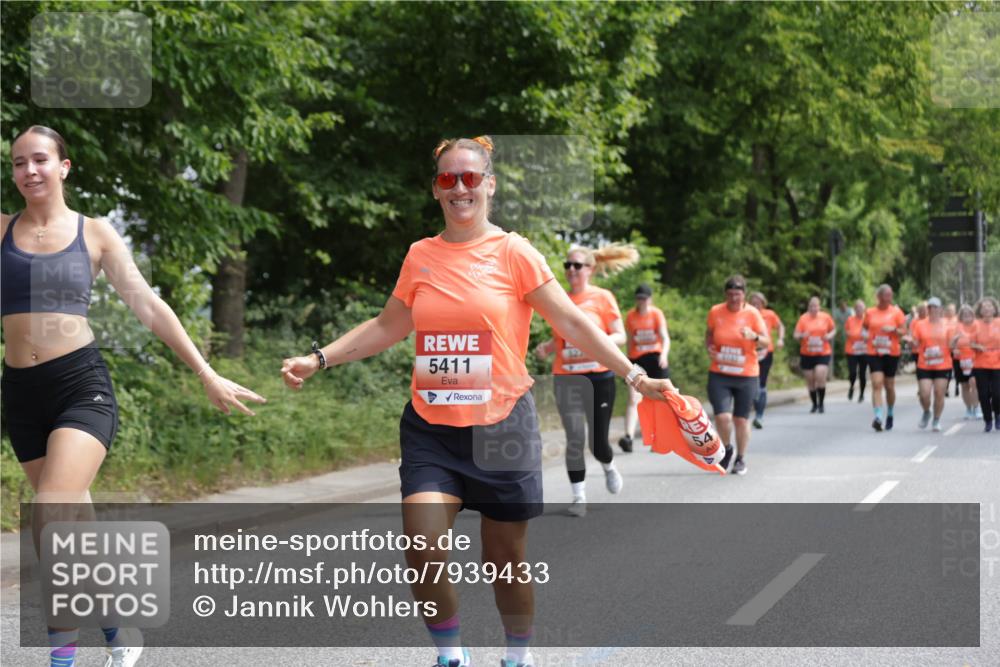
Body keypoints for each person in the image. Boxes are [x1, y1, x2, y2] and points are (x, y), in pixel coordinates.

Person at [279, 136, 674, 667]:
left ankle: (518, 656)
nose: (459, 188)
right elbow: (388, 325)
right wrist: (319, 358)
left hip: (502, 427)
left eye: (470, 178)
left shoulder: (515, 253)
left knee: (503, 561)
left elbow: (572, 321)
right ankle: (451, 655)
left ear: (489, 185)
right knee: (422, 547)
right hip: (432, 429)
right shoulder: (421, 255)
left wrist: (634, 375)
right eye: (448, 179)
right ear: (435, 189)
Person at [2, 126, 266, 667]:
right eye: (19, 162)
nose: (29, 170)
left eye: (40, 160)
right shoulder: (1, 230)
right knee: (74, 527)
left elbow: (148, 305)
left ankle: (61, 659)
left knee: (50, 516)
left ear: (64, 166)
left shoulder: (95, 233)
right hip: (22, 394)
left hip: (80, 387)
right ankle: (118, 632)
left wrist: (206, 372)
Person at [535, 243, 637, 516]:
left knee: (598, 442)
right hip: (566, 377)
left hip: (598, 377)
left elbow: (620, 335)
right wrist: (548, 347)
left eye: (577, 265)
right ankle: (578, 496)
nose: (571, 270)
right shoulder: (559, 299)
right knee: (575, 437)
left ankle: (608, 465)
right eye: (568, 265)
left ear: (590, 269)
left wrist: (597, 342)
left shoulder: (602, 297)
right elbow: (564, 335)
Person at [704, 274, 769, 475]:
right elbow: (709, 334)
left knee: (741, 419)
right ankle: (726, 449)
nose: (734, 299)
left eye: (737, 295)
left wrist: (754, 336)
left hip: (746, 374)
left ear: (744, 295)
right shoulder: (716, 311)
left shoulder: (753, 314)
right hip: (720, 373)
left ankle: (740, 458)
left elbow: (766, 341)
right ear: (725, 294)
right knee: (722, 416)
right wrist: (709, 346)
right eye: (730, 294)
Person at [618, 283, 670, 452]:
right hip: (637, 360)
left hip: (656, 359)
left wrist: (664, 355)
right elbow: (630, 341)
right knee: (634, 398)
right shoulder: (631, 316)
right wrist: (627, 363)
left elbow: (665, 337)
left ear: (650, 299)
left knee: (658, 399)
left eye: (644, 298)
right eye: (639, 298)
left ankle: (658, 437)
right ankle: (628, 437)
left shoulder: (656, 314)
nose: (642, 301)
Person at [863, 284, 907, 432]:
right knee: (876, 383)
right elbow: (865, 327)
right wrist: (866, 337)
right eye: (886, 295)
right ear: (879, 296)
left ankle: (890, 413)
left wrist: (893, 329)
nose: (889, 298)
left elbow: (904, 332)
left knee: (889, 386)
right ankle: (878, 417)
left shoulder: (896, 312)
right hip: (874, 352)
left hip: (891, 353)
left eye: (890, 295)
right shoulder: (870, 312)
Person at [911, 297, 954, 431]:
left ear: (940, 309)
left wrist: (956, 343)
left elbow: (951, 345)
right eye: (930, 307)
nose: (932, 309)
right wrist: (911, 342)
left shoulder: (948, 325)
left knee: (939, 393)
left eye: (935, 307)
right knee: (924, 394)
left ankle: (936, 420)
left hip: (943, 364)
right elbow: (916, 342)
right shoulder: (920, 325)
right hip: (925, 364)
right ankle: (926, 411)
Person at [793, 296, 836, 414]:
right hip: (807, 353)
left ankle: (821, 404)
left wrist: (829, 336)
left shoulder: (826, 317)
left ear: (819, 307)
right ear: (808, 307)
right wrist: (802, 335)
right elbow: (795, 335)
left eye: (816, 306)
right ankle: (814, 404)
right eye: (811, 306)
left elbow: (833, 330)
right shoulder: (803, 318)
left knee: (820, 375)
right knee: (810, 380)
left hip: (823, 352)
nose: (813, 308)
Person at [748, 291, 784, 429]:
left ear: (763, 303)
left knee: (761, 384)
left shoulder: (769, 314)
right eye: (753, 303)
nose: (755, 305)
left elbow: (780, 326)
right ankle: (754, 410)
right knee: (752, 383)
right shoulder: (746, 313)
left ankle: (759, 416)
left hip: (766, 352)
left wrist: (780, 339)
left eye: (758, 303)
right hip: (748, 352)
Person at [969, 297, 1000, 432]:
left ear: (994, 309)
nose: (987, 309)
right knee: (983, 394)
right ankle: (988, 420)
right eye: (984, 307)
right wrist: (977, 346)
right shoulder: (975, 324)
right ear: (980, 311)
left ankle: (998, 414)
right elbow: (970, 343)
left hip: (998, 363)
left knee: (997, 393)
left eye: (989, 306)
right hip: (981, 364)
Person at [950, 305, 980, 420]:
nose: (967, 317)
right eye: (964, 315)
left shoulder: (977, 326)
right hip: (960, 360)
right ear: (961, 317)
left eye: (969, 314)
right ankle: (968, 409)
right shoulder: (957, 327)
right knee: (964, 385)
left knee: (973, 382)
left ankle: (976, 408)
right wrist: (954, 349)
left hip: (974, 359)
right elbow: (951, 345)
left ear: (973, 315)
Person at [844, 299, 869, 402]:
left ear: (864, 309)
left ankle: (861, 394)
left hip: (864, 350)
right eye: (857, 308)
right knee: (852, 372)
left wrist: (866, 337)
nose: (859, 310)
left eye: (861, 308)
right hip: (852, 350)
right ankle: (851, 387)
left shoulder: (867, 320)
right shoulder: (850, 319)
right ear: (854, 309)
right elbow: (847, 331)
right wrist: (851, 334)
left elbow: (871, 333)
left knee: (862, 373)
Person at [945, 302, 960, 396]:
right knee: (948, 369)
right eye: (948, 310)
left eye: (952, 310)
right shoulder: (943, 320)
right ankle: (946, 388)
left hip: (956, 349)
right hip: (946, 349)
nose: (950, 312)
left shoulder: (958, 320)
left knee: (957, 369)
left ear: (955, 311)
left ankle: (957, 386)